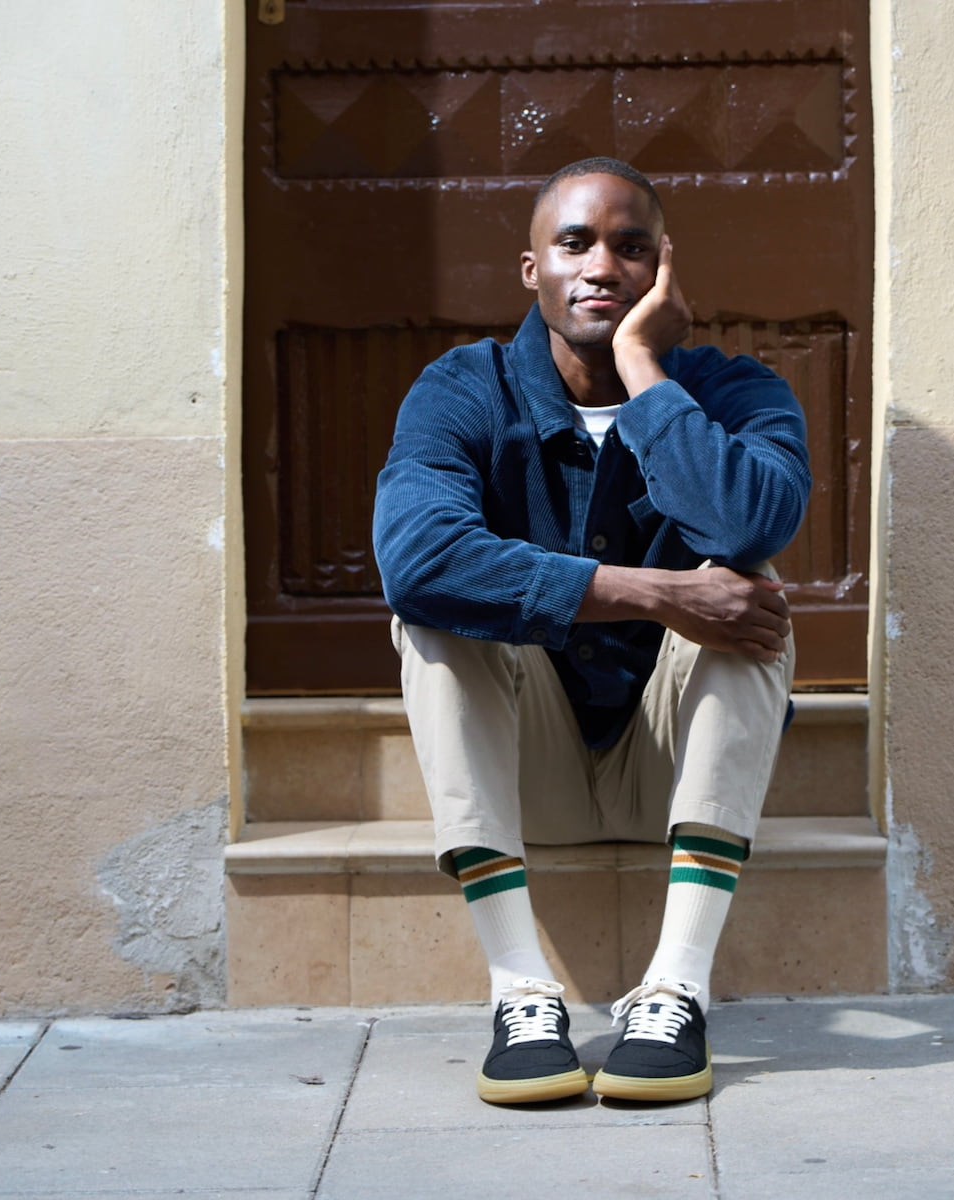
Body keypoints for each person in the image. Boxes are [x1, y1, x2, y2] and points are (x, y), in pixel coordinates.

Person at [373, 157, 810, 1105]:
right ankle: (521, 991)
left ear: (661, 271)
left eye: (631, 246)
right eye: (574, 242)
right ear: (532, 267)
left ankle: (677, 989)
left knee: (745, 587)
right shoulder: (463, 390)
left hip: (670, 768)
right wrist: (654, 592)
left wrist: (646, 371)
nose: (601, 265)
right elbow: (417, 560)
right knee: (438, 618)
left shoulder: (735, 390)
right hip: (529, 771)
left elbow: (752, 520)